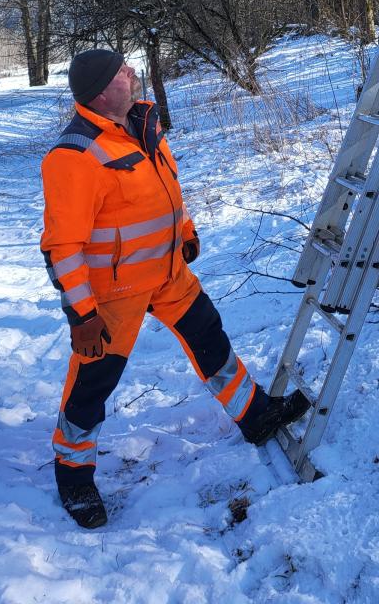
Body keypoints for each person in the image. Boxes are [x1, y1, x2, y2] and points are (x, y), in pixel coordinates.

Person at [40, 48, 310, 529]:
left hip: (167, 275)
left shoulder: (144, 127)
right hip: (114, 297)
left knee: (211, 340)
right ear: (103, 92)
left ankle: (255, 414)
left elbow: (167, 192)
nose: (131, 72)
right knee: (92, 385)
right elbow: (62, 246)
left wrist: (184, 232)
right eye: (121, 70)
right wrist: (82, 314)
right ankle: (73, 474)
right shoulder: (74, 156)